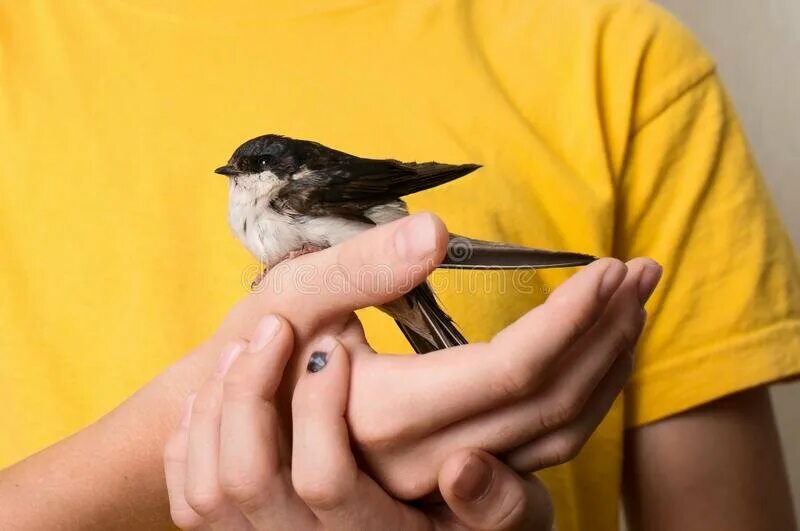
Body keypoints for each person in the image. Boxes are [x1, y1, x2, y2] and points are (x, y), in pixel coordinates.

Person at [0, 1, 797, 530]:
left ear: (275, 168)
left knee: (425, 321)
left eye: (250, 168)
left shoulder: (619, 56)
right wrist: (163, 447)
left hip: (381, 223)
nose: (241, 179)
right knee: (430, 329)